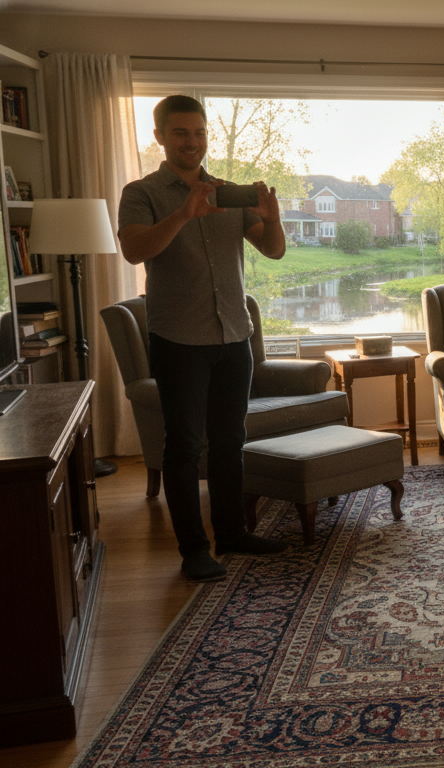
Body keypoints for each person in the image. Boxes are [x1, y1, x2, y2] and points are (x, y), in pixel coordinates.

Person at [118, 95, 288, 582]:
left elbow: (273, 251)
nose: (192, 142)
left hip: (234, 335)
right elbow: (133, 251)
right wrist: (182, 216)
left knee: (230, 440)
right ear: (160, 137)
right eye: (180, 133)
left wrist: (272, 218)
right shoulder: (142, 192)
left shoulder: (228, 193)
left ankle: (232, 533)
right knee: (185, 446)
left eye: (198, 133)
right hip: (178, 339)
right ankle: (193, 548)